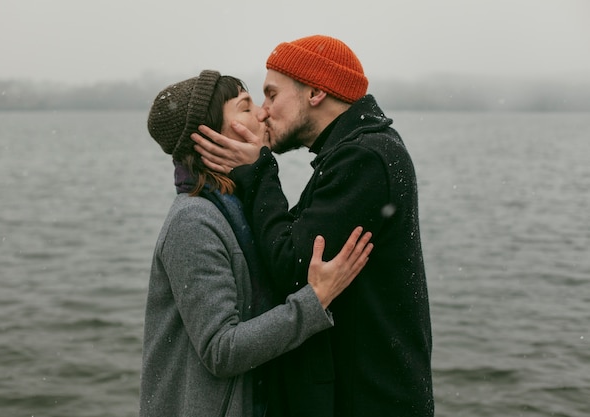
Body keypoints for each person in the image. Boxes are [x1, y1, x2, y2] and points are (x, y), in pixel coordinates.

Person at [191, 36, 434, 416]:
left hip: (370, 401)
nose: (264, 111)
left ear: (316, 92)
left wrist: (259, 171)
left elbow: (294, 268)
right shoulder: (358, 149)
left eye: (271, 95)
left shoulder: (364, 158)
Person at [139, 70, 374, 417]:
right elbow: (221, 350)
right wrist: (315, 299)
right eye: (246, 108)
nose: (263, 113)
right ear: (211, 136)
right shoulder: (193, 221)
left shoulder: (240, 207)